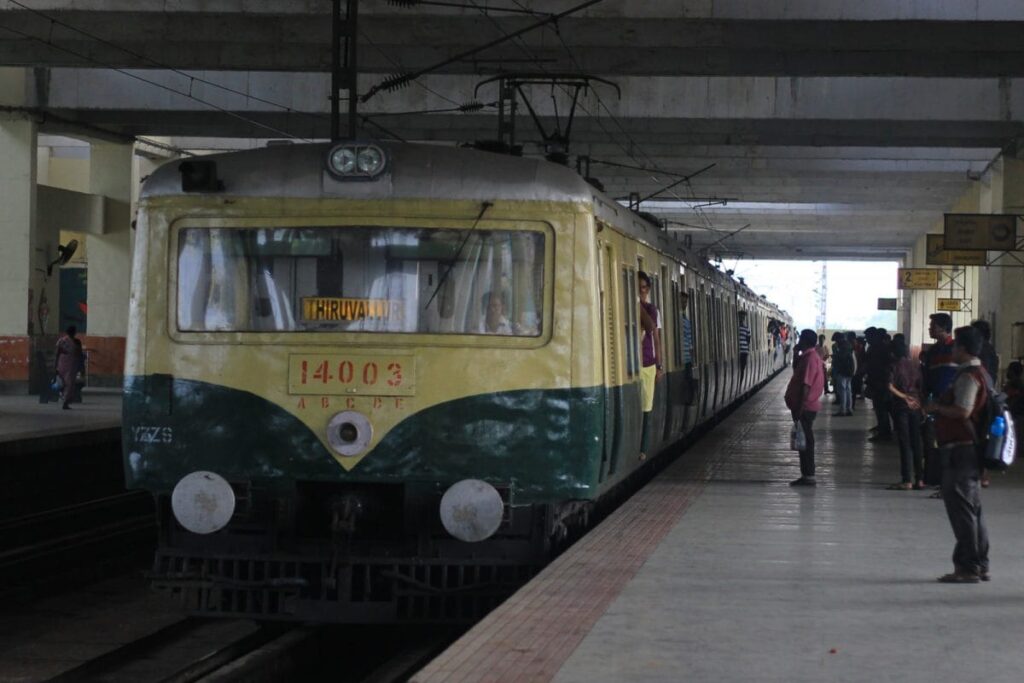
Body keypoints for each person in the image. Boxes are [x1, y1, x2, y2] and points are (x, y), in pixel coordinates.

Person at [924, 326, 990, 583]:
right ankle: (980, 563)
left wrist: (936, 407)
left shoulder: (968, 376)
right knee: (973, 509)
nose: (952, 350)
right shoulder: (983, 373)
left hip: (961, 450)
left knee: (962, 510)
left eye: (955, 346)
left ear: (962, 348)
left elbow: (963, 411)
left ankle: (968, 567)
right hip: (971, 450)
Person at [921, 313, 958, 488]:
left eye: (932, 325)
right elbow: (927, 377)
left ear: (943, 328)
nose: (930, 328)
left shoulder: (956, 350)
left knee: (949, 444)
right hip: (934, 404)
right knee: (932, 441)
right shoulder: (933, 352)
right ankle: (934, 477)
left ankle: (948, 482)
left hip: (952, 406)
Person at [784, 329, 825, 487]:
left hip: (805, 407)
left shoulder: (810, 359)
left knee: (806, 442)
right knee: (805, 441)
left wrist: (799, 407)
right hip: (807, 406)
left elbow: (805, 386)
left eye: (801, 339)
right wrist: (795, 354)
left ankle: (808, 476)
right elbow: (797, 371)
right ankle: (807, 474)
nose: (798, 341)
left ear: (806, 341)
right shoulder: (809, 357)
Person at [886, 339, 924, 490]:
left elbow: (889, 385)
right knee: (917, 442)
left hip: (901, 407)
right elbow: (922, 386)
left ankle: (907, 479)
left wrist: (903, 397)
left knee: (905, 443)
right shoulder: (916, 365)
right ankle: (920, 479)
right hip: (916, 405)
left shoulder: (893, 366)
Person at [637, 272, 663, 458]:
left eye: (644, 287)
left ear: (649, 289)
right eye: (637, 287)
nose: (641, 290)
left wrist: (660, 366)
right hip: (633, 363)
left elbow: (653, 332)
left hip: (648, 363)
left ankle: (643, 448)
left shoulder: (652, 310)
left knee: (646, 405)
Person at [864, 328, 893, 442]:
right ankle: (884, 429)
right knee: (881, 408)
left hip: (880, 382)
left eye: (868, 337)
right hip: (877, 382)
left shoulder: (880, 349)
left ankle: (885, 433)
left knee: (882, 408)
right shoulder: (877, 347)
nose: (867, 340)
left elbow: (883, 367)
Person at [54, 325, 82, 410]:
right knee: (69, 384)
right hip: (71, 365)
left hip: (62, 364)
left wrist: (55, 365)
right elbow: (79, 354)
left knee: (65, 383)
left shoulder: (61, 341)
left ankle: (64, 399)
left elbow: (57, 353)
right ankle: (65, 402)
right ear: (74, 333)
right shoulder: (76, 342)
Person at [831, 336, 855, 416]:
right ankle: (849, 409)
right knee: (848, 390)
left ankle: (843, 410)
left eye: (836, 341)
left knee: (843, 391)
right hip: (849, 371)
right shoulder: (849, 346)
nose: (836, 343)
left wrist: (835, 356)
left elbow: (841, 359)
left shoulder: (843, 348)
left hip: (843, 371)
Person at [737, 311, 751, 382]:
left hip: (744, 351)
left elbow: (748, 339)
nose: (742, 319)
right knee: (741, 366)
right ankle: (740, 381)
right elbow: (748, 339)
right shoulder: (737, 328)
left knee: (743, 366)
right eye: (741, 317)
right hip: (739, 350)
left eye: (743, 317)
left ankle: (741, 381)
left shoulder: (746, 328)